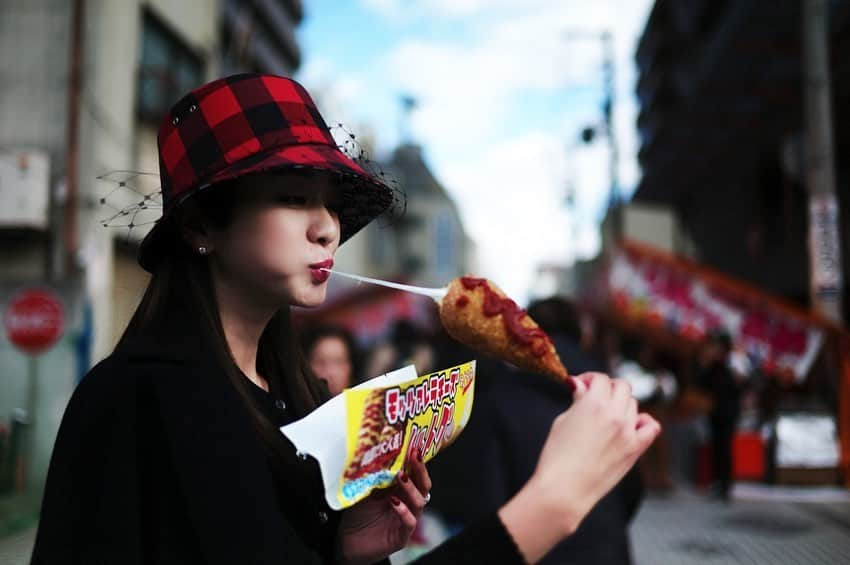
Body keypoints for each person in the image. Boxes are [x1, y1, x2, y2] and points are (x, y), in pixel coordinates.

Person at [31, 74, 660, 564]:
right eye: (292, 196)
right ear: (200, 226)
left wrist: (345, 549)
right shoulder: (149, 396)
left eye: (330, 204)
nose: (326, 227)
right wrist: (555, 502)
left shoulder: (301, 401)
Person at [430, 297, 645, 564]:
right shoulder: (608, 395)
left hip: (533, 551)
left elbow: (488, 497)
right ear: (580, 335)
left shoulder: (504, 397)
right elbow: (632, 485)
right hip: (607, 550)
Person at [696, 330, 741, 501]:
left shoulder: (733, 364)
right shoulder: (713, 365)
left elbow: (739, 387)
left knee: (724, 448)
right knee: (716, 447)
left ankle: (725, 484)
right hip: (715, 412)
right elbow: (703, 384)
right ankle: (717, 482)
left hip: (728, 412)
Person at [300, 324, 361, 396]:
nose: (331, 373)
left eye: (339, 362)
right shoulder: (298, 405)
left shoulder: (367, 403)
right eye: (320, 362)